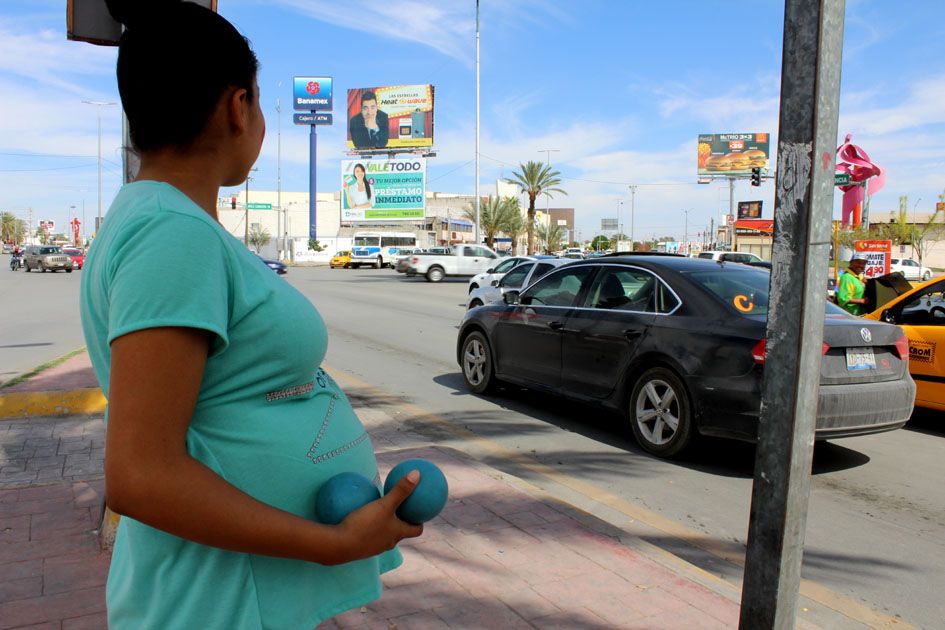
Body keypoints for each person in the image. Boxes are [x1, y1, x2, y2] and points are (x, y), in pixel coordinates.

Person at [83, 2, 423, 628]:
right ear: (238, 108)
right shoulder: (171, 234)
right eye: (260, 103)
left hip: (236, 596)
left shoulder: (164, 222)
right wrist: (333, 545)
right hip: (217, 602)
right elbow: (141, 474)